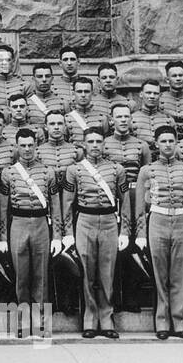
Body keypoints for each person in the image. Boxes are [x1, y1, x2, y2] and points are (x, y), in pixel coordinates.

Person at [134, 125, 183, 340]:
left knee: (179, 274)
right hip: (157, 220)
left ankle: (179, 322)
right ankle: (162, 321)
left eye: (171, 141)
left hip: (181, 221)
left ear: (176, 143)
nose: (168, 145)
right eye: (163, 141)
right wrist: (141, 233)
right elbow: (140, 207)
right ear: (156, 144)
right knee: (159, 273)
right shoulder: (147, 171)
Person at [62, 128, 129, 338]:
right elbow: (67, 204)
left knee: (107, 273)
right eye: (90, 141)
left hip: (109, 222)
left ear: (104, 144)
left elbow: (124, 202)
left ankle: (107, 318)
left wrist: (125, 231)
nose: (94, 145)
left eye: (98, 141)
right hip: (85, 221)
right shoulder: (74, 170)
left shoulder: (117, 169)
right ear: (84, 144)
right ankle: (90, 319)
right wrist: (67, 232)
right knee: (87, 273)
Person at [0, 129, 63, 328]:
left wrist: (58, 236)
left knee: (41, 275)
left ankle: (42, 321)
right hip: (18, 223)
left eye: (30, 145)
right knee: (21, 275)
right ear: (17, 147)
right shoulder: (8, 173)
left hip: (41, 224)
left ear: (36, 146)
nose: (27, 149)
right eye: (22, 145)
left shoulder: (48, 172)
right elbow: (2, 208)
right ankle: (23, 321)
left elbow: (56, 206)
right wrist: (1, 236)